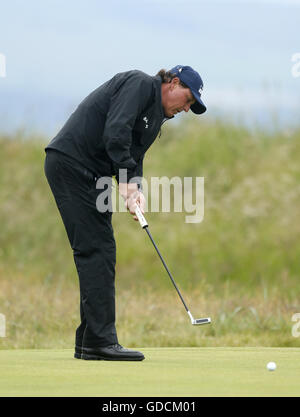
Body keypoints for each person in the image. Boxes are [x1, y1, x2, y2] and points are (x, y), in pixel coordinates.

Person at [44, 65, 206, 361]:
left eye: (191, 105)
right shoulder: (140, 84)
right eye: (188, 99)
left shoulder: (158, 116)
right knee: (98, 249)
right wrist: (124, 180)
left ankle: (90, 340)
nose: (186, 107)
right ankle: (100, 341)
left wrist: (135, 190)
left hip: (92, 175)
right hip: (71, 165)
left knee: (99, 249)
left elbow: (135, 154)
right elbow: (115, 133)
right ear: (173, 82)